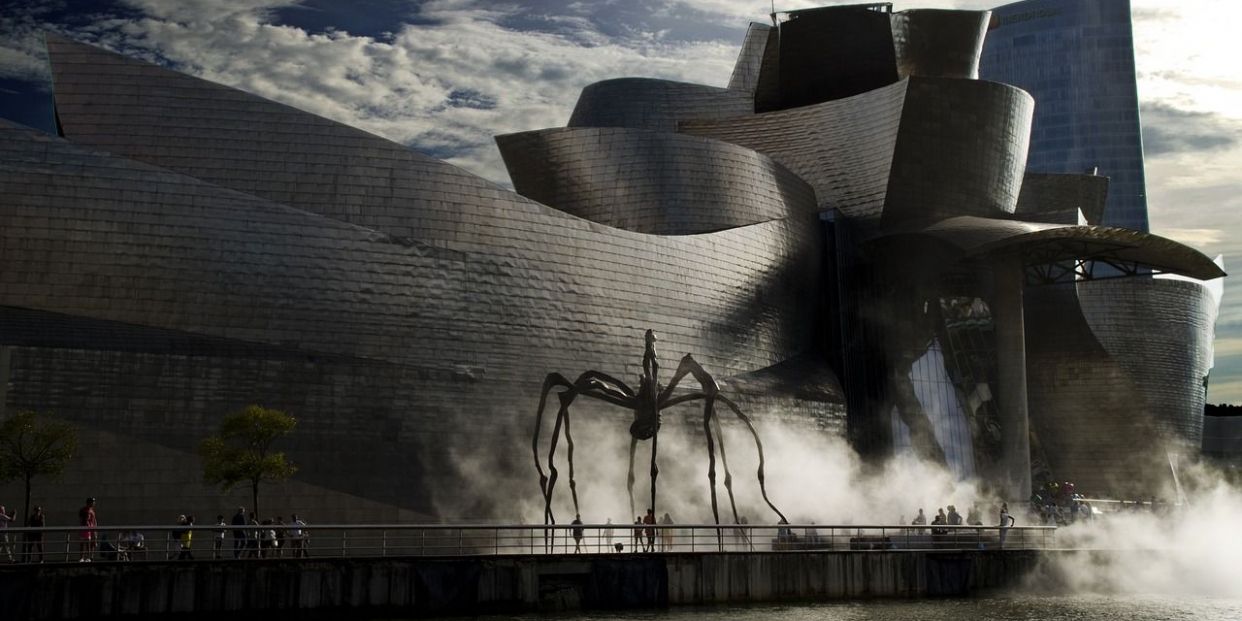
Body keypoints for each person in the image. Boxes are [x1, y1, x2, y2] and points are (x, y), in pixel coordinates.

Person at [79, 497, 98, 562]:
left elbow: (94, 521)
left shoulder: (92, 511)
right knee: (84, 543)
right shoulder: (84, 510)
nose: (94, 503)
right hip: (85, 529)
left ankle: (89, 557)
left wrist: (95, 529)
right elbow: (81, 519)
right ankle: (82, 557)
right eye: (92, 502)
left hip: (91, 529)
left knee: (91, 544)